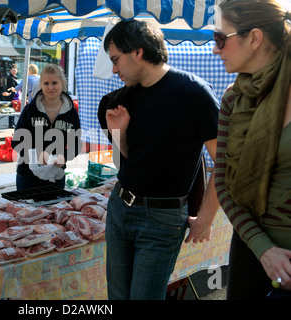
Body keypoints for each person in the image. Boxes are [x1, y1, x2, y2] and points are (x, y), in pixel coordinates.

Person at [97, 20, 221, 300]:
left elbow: (226, 162)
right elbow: (131, 159)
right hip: (119, 208)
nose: (114, 69)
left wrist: (206, 217)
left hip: (162, 219)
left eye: (116, 60)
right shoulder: (123, 98)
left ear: (138, 52)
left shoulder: (194, 93)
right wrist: (119, 135)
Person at [212, 0, 291, 299]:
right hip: (252, 252)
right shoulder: (233, 100)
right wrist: (264, 249)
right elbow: (223, 183)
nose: (214, 49)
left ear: (254, 38)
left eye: (220, 38)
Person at [11, 64, 81, 191]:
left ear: (62, 83)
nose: (50, 87)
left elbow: (75, 144)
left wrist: (64, 156)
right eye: (46, 83)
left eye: (54, 83)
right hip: (27, 176)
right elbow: (16, 140)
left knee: (55, 210)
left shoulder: (71, 113)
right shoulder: (30, 110)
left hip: (55, 177)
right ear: (41, 85)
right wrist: (35, 155)